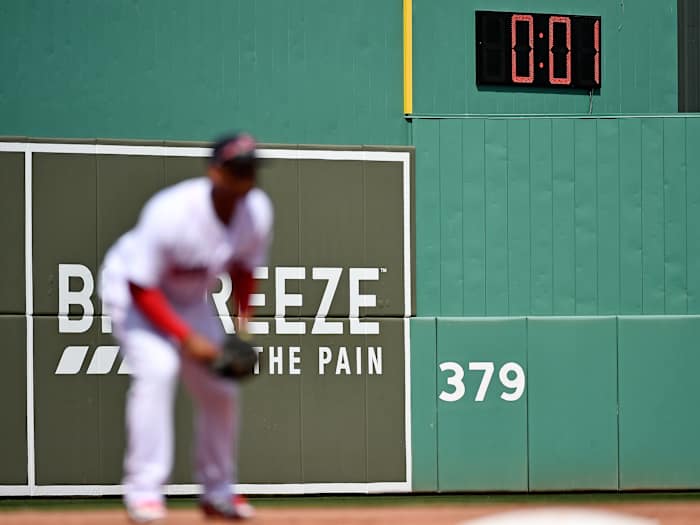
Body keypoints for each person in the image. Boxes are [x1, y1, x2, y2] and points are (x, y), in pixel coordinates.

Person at [98, 133, 273, 523]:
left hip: (190, 299)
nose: (245, 177)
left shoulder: (257, 212)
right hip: (135, 293)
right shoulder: (172, 211)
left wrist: (242, 329)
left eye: (251, 169)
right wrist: (186, 340)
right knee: (159, 370)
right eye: (237, 168)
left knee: (221, 388)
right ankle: (144, 493)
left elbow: (244, 271)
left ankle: (218, 492)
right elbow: (141, 286)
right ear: (214, 170)